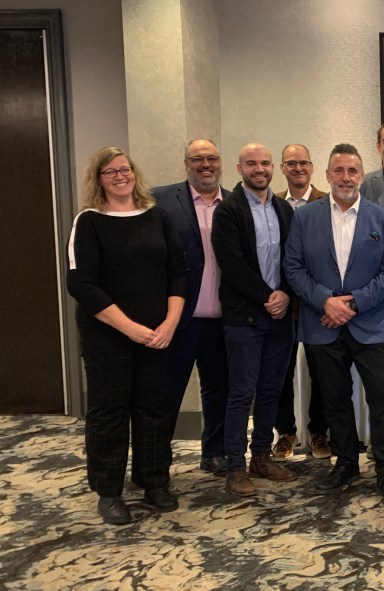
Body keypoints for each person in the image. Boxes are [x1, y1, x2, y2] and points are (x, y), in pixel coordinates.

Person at [67, 147, 188, 524]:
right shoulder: (88, 221)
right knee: (110, 412)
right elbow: (81, 284)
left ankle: (153, 482)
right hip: (109, 335)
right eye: (110, 172)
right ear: (98, 179)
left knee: (154, 409)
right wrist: (129, 327)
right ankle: (109, 491)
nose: (120, 176)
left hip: (157, 334)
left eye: (125, 169)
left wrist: (169, 324)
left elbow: (178, 274)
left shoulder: (158, 217)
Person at [284, 143, 384, 509]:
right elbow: (293, 268)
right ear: (327, 175)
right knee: (335, 401)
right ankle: (346, 463)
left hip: (370, 324)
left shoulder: (382, 219)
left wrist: (351, 303)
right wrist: (324, 300)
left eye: (352, 171)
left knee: (382, 402)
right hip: (322, 324)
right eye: (338, 171)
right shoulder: (304, 218)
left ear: (361, 175)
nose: (345, 178)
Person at [211, 143, 297, 496]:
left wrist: (286, 294)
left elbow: (293, 258)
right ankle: (235, 467)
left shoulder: (284, 208)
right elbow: (231, 265)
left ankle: (261, 456)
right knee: (241, 392)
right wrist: (268, 297)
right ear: (239, 168)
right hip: (245, 316)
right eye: (251, 164)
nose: (259, 169)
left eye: (264, 163)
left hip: (281, 317)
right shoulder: (228, 211)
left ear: (272, 167)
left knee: (271, 391)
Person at [153, 139, 231, 478]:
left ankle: (214, 454)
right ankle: (156, 463)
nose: (206, 165)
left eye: (212, 158)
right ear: (185, 163)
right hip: (178, 320)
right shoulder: (160, 201)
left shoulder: (234, 202)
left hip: (224, 318)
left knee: (219, 392)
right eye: (198, 159)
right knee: (166, 394)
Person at [272, 143, 330, 462]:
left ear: (311, 167)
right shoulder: (273, 203)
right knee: (281, 372)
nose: (297, 168)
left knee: (321, 371)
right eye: (291, 163)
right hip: (283, 305)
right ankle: (286, 433)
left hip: (317, 303)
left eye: (303, 163)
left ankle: (318, 432)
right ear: (283, 168)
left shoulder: (327, 202)